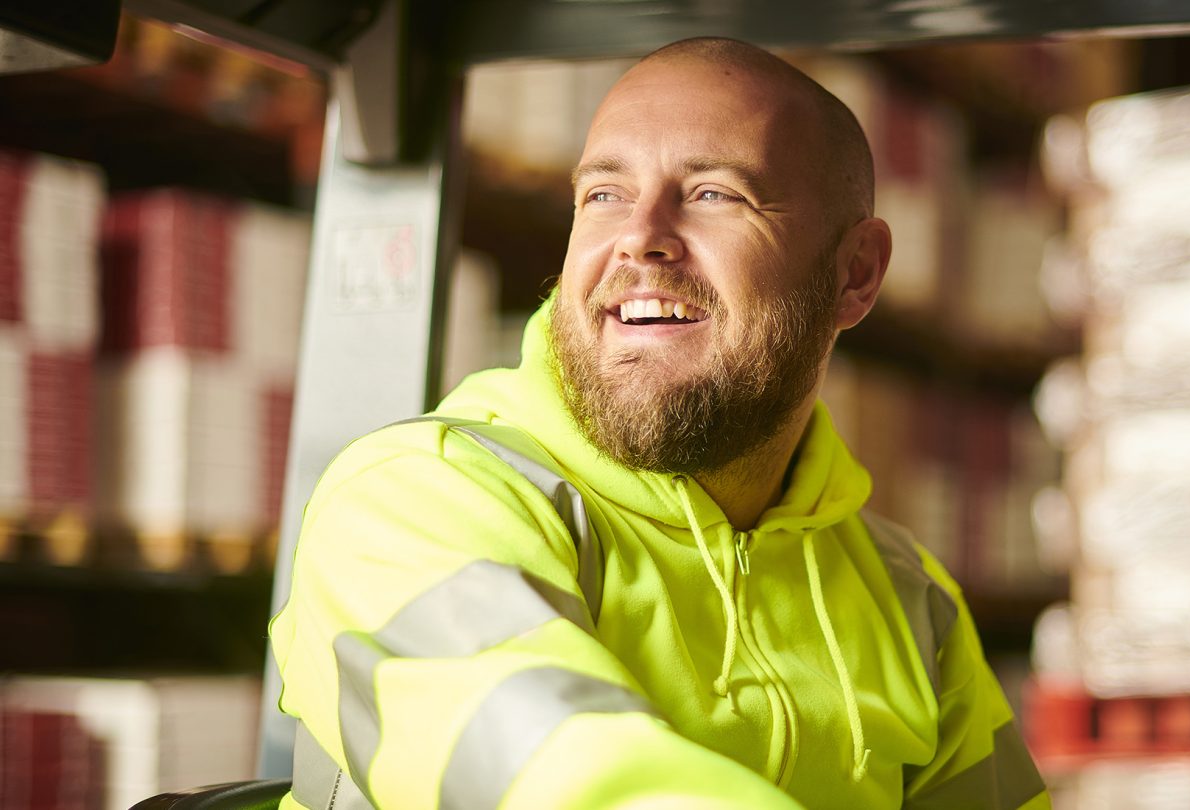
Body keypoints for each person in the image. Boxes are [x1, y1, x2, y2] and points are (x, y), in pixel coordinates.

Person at [270, 36, 1050, 810]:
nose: (639, 235)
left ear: (856, 273)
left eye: (714, 194)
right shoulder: (414, 500)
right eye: (603, 194)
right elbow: (569, 786)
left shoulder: (910, 603)